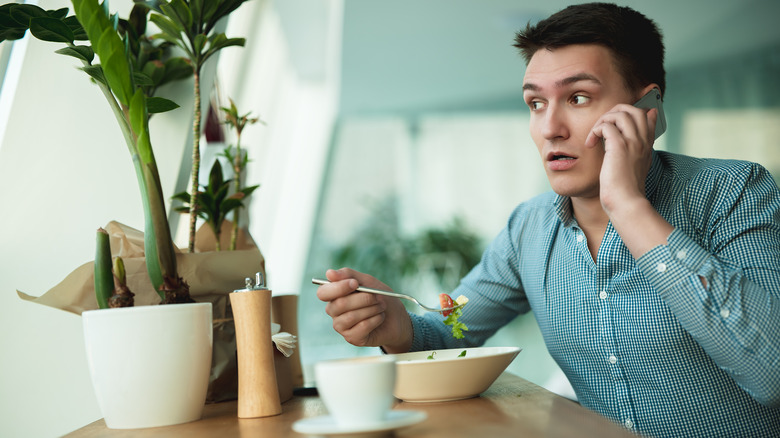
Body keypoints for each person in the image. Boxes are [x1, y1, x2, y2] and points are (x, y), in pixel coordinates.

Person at [316, 3, 780, 437]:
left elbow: (772, 372)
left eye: (578, 98)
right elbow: (449, 330)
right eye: (536, 103)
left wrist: (627, 205)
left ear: (647, 109)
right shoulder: (529, 229)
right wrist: (400, 328)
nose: (549, 128)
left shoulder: (734, 192)